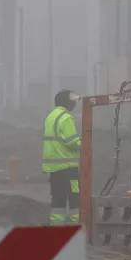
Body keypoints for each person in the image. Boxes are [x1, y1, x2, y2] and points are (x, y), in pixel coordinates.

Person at [42, 90, 82, 224]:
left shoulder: (50, 117)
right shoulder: (66, 118)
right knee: (74, 197)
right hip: (67, 167)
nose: (75, 105)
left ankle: (56, 226)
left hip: (54, 168)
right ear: (67, 102)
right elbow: (72, 141)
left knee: (58, 199)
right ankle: (76, 224)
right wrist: (85, 144)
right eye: (73, 102)